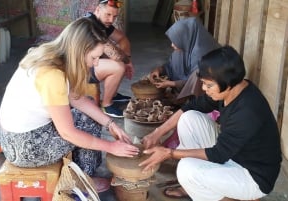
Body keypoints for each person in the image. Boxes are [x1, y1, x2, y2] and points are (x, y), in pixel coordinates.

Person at [0, 18, 139, 179]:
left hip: (10, 137)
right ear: (79, 51)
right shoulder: (52, 75)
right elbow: (68, 133)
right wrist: (111, 147)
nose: (95, 63)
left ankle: (81, 172)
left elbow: (76, 98)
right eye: (94, 57)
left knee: (91, 110)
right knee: (87, 124)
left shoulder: (50, 55)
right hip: (25, 148)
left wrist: (110, 124)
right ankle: (83, 180)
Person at [139, 46, 282, 200]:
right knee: (189, 118)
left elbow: (218, 154)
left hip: (252, 176)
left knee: (186, 170)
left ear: (228, 84)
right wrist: (156, 134)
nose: (204, 88)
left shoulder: (248, 110)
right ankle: (196, 187)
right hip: (233, 155)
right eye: (204, 83)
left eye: (209, 85)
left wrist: (169, 153)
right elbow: (191, 106)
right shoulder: (232, 88)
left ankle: (225, 197)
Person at [149, 17, 220, 101]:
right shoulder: (185, 46)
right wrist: (159, 70)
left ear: (186, 37)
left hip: (203, 97)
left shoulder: (203, 55)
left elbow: (197, 82)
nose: (172, 45)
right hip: (182, 88)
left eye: (175, 41)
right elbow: (171, 65)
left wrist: (171, 84)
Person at [84, 0, 134, 117]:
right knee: (118, 66)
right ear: (97, 10)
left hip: (92, 62)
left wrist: (128, 58)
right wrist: (127, 62)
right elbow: (115, 55)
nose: (111, 20)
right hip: (78, 68)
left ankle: (113, 94)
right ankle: (106, 105)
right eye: (108, 14)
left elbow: (122, 38)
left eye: (114, 16)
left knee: (121, 61)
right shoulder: (90, 24)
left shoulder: (102, 23)